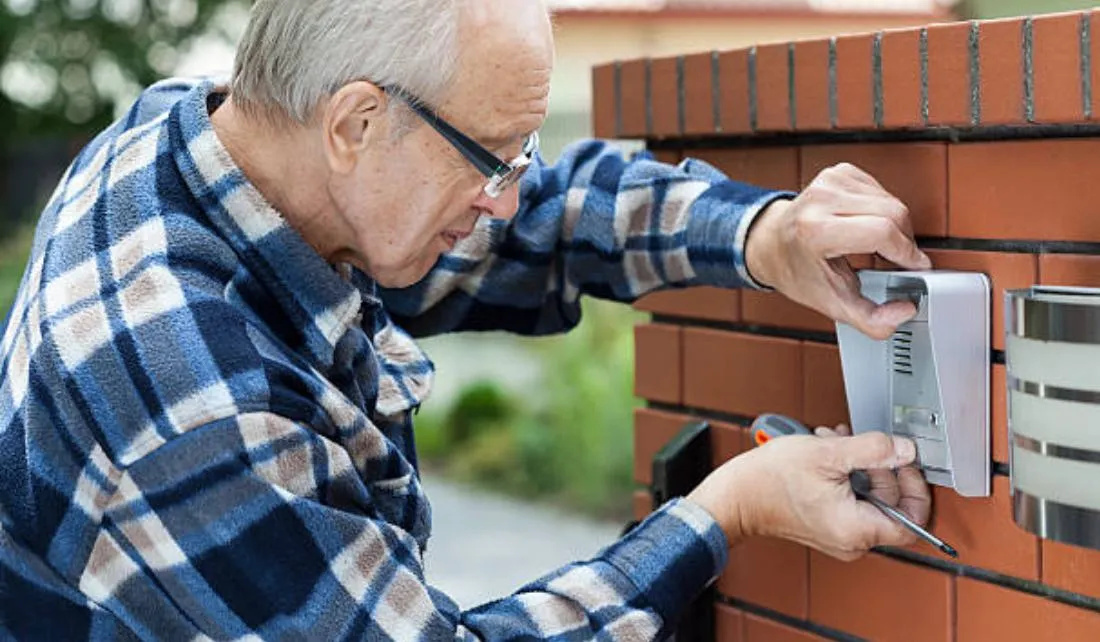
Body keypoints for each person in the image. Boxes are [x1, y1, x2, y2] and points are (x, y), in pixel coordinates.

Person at [0, 0, 934, 639]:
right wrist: (728, 511)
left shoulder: (216, 147)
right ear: (356, 124)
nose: (506, 196)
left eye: (521, 152)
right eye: (492, 158)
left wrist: (760, 236)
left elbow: (545, 223)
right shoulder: (191, 399)